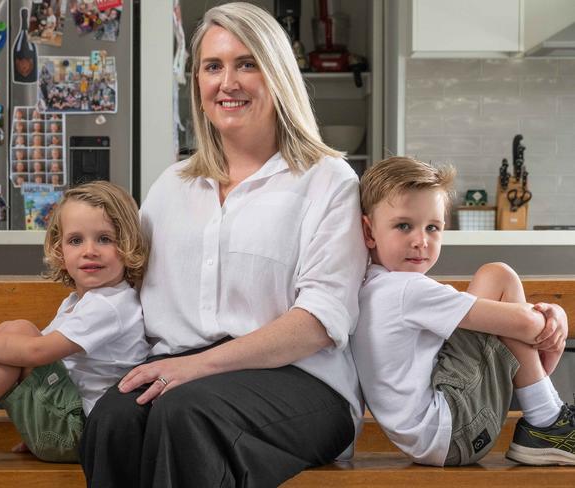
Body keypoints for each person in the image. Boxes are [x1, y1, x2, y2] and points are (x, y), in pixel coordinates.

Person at [80, 3, 365, 487]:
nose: (227, 83)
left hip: (300, 381)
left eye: (246, 64)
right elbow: (123, 289)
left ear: (276, 75)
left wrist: (196, 367)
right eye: (213, 66)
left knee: (186, 415)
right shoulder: (172, 184)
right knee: (114, 421)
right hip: (179, 368)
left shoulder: (327, 180)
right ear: (198, 82)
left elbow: (320, 321)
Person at [352, 156, 573, 467]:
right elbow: (526, 324)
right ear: (369, 230)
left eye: (433, 227)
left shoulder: (371, 285)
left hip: (433, 437)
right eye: (404, 226)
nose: (421, 241)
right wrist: (556, 320)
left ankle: (547, 413)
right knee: (498, 276)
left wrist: (537, 331)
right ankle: (548, 420)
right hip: (457, 428)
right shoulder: (405, 290)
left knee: (492, 291)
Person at [0, 181, 150, 465]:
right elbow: (24, 356)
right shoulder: (76, 302)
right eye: (76, 240)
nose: (89, 250)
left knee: (17, 335)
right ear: (60, 249)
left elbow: (35, 353)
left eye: (105, 239)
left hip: (84, 434)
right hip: (62, 427)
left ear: (128, 243)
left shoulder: (111, 305)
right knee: (10, 337)